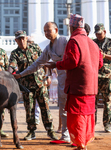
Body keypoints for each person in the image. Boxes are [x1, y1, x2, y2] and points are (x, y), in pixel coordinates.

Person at [44, 14, 103, 150]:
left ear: (72, 26)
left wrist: (56, 65)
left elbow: (72, 62)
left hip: (78, 86)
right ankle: (83, 143)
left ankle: (81, 145)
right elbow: (99, 63)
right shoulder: (93, 43)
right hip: (91, 86)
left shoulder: (74, 41)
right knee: (87, 114)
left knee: (77, 115)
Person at [14, 22, 70, 143]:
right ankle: (65, 136)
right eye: (44, 31)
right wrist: (21, 74)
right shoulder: (48, 48)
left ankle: (73, 134)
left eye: (48, 30)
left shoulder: (65, 41)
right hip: (54, 81)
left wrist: (48, 75)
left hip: (70, 79)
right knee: (62, 107)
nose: (46, 33)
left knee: (55, 108)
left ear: (56, 29)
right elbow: (37, 64)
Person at [8, 30, 58, 141]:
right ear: (16, 40)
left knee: (45, 107)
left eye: (23, 38)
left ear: (26, 38)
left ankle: (50, 131)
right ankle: (31, 131)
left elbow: (44, 61)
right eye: (19, 39)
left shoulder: (35, 48)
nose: (22, 41)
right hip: (27, 86)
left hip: (40, 83)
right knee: (29, 109)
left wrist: (47, 76)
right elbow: (12, 65)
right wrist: (8, 72)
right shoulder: (15, 54)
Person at [93, 23, 111, 133]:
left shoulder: (110, 42)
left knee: (107, 102)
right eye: (97, 33)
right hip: (94, 76)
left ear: (104, 32)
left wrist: (104, 56)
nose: (98, 35)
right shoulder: (93, 43)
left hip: (107, 76)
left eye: (100, 33)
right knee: (92, 102)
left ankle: (107, 124)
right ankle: (92, 124)